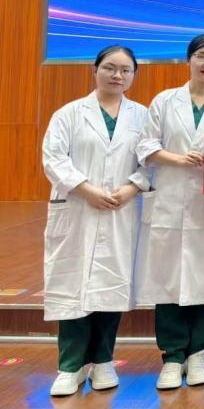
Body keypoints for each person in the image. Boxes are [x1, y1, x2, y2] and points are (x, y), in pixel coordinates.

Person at [134, 33, 204, 390]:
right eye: (202, 56)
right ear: (189, 60)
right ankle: (171, 357)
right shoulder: (164, 101)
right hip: (169, 200)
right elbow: (146, 146)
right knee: (167, 281)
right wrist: (178, 159)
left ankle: (198, 354)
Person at [42, 45, 148, 396]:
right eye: (110, 68)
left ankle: (103, 361)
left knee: (111, 285)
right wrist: (85, 189)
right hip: (78, 208)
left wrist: (132, 188)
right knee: (72, 285)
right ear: (95, 69)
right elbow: (53, 158)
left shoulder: (143, 117)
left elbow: (150, 161)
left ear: (133, 75)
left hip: (120, 209)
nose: (117, 75)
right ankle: (69, 366)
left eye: (125, 70)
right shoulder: (69, 114)